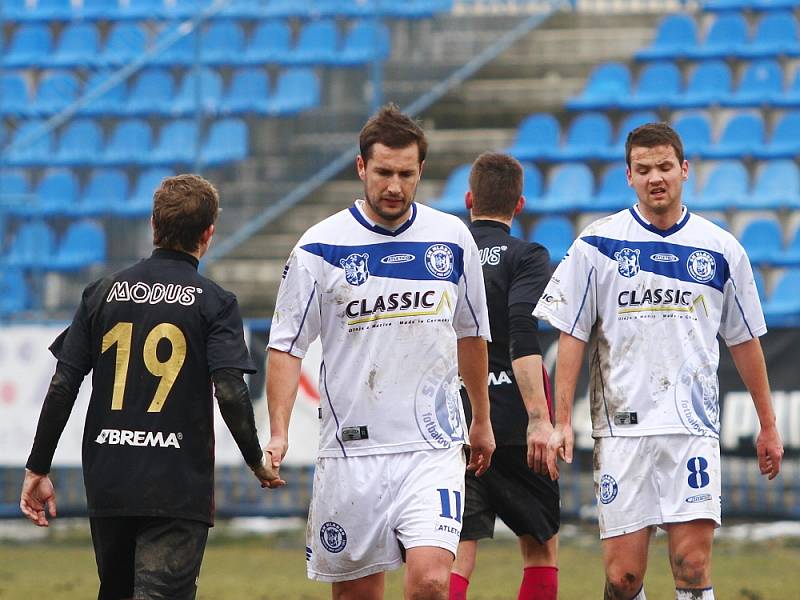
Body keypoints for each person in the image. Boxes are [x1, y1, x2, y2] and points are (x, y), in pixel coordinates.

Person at [534, 123, 784, 600]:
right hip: (622, 431)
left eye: (665, 167)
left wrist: (768, 425)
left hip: (691, 428)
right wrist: (560, 420)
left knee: (692, 565)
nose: (656, 178)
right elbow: (571, 336)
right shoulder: (597, 245)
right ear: (628, 175)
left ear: (684, 170)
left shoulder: (721, 249)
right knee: (623, 577)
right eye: (644, 169)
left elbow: (746, 342)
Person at [265, 104, 496, 600]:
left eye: (406, 174)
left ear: (420, 173)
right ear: (361, 168)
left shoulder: (452, 240)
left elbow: (472, 335)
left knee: (433, 583)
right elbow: (286, 347)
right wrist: (279, 432)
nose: (394, 186)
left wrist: (481, 419)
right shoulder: (318, 248)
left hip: (431, 447)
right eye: (385, 173)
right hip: (352, 453)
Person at [20, 174, 278, 600]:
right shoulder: (215, 302)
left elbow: (63, 384)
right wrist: (256, 460)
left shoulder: (101, 293)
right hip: (177, 485)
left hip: (110, 479)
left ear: (153, 226)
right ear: (208, 234)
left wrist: (37, 467)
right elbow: (230, 391)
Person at [450, 153, 559, 600]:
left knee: (457, 549)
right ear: (520, 205)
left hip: (456, 419)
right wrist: (540, 416)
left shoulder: (446, 254)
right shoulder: (528, 256)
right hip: (515, 421)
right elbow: (521, 330)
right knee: (539, 547)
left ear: (469, 199)